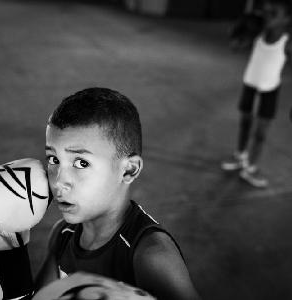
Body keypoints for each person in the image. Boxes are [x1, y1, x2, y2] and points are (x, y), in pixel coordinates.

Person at [35, 87, 200, 300]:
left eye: (81, 162)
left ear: (129, 169)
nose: (59, 181)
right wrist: (6, 249)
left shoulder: (151, 256)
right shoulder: (62, 234)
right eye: (53, 159)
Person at [222, 0, 292, 188]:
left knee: (260, 133)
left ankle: (251, 168)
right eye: (267, 12)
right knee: (245, 124)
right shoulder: (257, 33)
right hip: (250, 85)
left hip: (269, 91)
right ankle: (241, 156)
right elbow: (235, 47)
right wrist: (238, 31)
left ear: (286, 18)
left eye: (275, 13)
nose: (268, 16)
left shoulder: (287, 42)